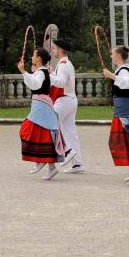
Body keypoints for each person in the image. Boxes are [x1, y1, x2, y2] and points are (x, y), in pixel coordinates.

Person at [102, 45, 129, 185]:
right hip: (126, 106)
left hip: (125, 108)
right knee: (125, 137)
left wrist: (112, 76)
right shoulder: (126, 69)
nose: (111, 56)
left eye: (112, 54)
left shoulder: (123, 71)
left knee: (123, 137)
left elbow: (128, 84)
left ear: (118, 56)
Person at [45, 37, 83, 178]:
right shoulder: (67, 63)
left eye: (55, 48)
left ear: (61, 50)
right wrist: (52, 73)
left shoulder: (62, 64)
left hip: (64, 100)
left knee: (50, 124)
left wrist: (50, 74)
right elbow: (62, 80)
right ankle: (78, 163)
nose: (53, 50)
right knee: (70, 132)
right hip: (70, 100)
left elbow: (60, 83)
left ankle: (67, 151)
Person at [17, 48, 59, 174]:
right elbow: (34, 82)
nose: (32, 58)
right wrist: (25, 72)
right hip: (41, 104)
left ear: (39, 58)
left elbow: (35, 84)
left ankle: (39, 160)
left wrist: (23, 72)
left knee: (26, 129)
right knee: (43, 134)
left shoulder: (41, 72)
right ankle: (50, 167)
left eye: (34, 55)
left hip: (41, 106)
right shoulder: (42, 71)